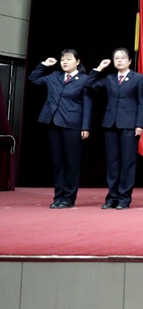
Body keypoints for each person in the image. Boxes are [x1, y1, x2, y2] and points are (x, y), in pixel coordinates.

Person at [28, 49, 93, 208]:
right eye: (63, 59)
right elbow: (33, 78)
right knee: (58, 162)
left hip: (73, 124)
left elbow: (88, 104)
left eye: (69, 59)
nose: (65, 62)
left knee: (72, 162)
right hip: (53, 123)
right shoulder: (54, 76)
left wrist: (85, 127)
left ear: (77, 62)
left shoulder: (84, 79)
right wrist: (44, 64)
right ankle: (58, 196)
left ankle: (69, 198)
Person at [85, 48, 143, 209]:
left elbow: (142, 103)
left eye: (123, 58)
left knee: (127, 162)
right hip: (110, 123)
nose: (119, 60)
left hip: (130, 124)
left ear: (129, 61)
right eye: (116, 58)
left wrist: (140, 124)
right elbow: (88, 84)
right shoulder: (109, 78)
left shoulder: (138, 78)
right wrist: (99, 68)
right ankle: (112, 197)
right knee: (112, 163)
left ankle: (124, 198)